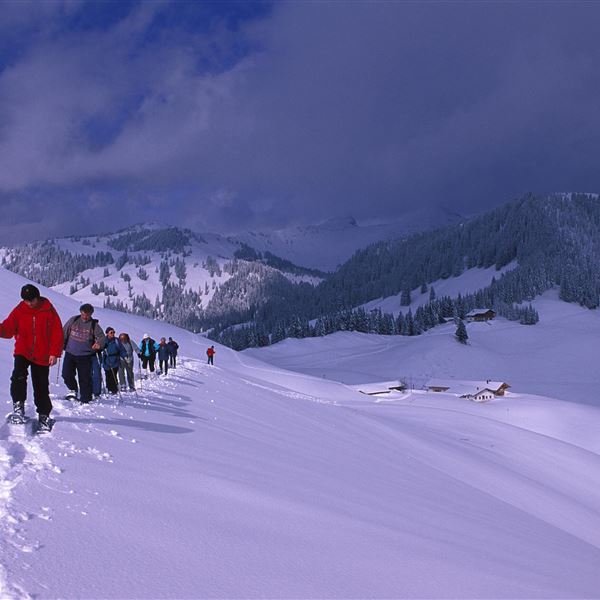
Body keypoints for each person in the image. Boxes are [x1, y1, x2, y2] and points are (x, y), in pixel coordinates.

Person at [0, 284, 63, 431]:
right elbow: (9, 328)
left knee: (40, 384)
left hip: (42, 353)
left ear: (38, 297)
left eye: (31, 300)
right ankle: (18, 406)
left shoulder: (49, 310)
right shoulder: (20, 310)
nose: (29, 303)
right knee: (18, 376)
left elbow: (57, 333)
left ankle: (44, 415)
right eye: (26, 300)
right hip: (23, 350)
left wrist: (54, 353)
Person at [62, 303, 105, 403]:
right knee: (66, 374)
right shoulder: (73, 320)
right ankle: (73, 389)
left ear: (91, 314)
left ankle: (86, 398)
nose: (85, 316)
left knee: (85, 378)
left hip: (85, 355)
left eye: (87, 314)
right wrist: (61, 345)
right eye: (83, 314)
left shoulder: (94, 325)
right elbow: (64, 332)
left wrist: (99, 344)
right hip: (70, 353)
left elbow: (102, 338)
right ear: (80, 312)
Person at [102, 327, 127, 394]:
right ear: (107, 333)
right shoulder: (104, 340)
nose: (113, 334)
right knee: (108, 375)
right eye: (111, 332)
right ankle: (108, 388)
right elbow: (100, 348)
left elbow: (121, 349)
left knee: (113, 375)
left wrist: (124, 355)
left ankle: (114, 389)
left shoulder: (116, 340)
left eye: (114, 332)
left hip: (115, 360)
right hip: (106, 360)